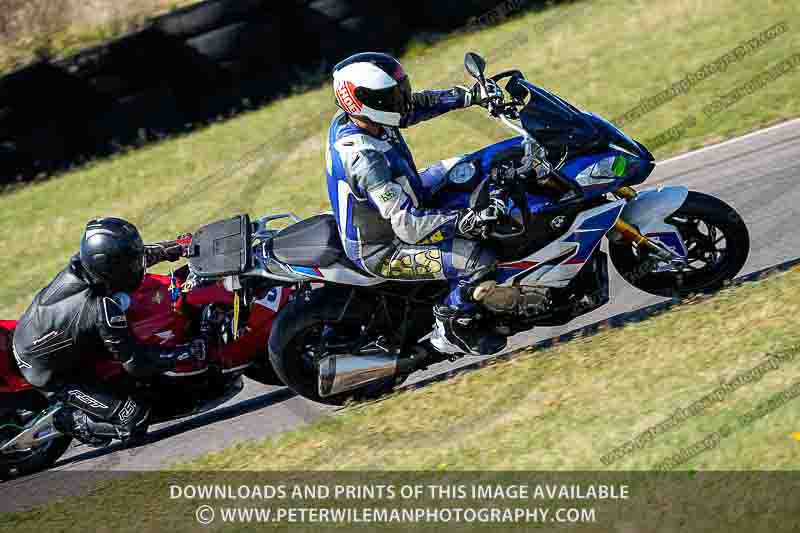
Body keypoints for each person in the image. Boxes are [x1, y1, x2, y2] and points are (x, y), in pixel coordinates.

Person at [326, 52, 522, 356]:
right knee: (479, 261)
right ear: (364, 100)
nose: (402, 101)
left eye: (400, 91)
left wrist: (470, 96)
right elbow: (408, 225)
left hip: (411, 190)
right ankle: (450, 328)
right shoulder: (363, 158)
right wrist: (466, 219)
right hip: (383, 248)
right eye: (393, 96)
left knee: (480, 163)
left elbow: (416, 106)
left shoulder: (367, 118)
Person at [12, 217, 205, 447]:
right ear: (111, 269)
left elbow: (129, 257)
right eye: (130, 262)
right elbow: (137, 364)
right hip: (52, 373)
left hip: (39, 333)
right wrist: (183, 354)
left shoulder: (83, 264)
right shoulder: (101, 309)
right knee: (132, 419)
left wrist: (171, 248)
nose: (136, 264)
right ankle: (66, 420)